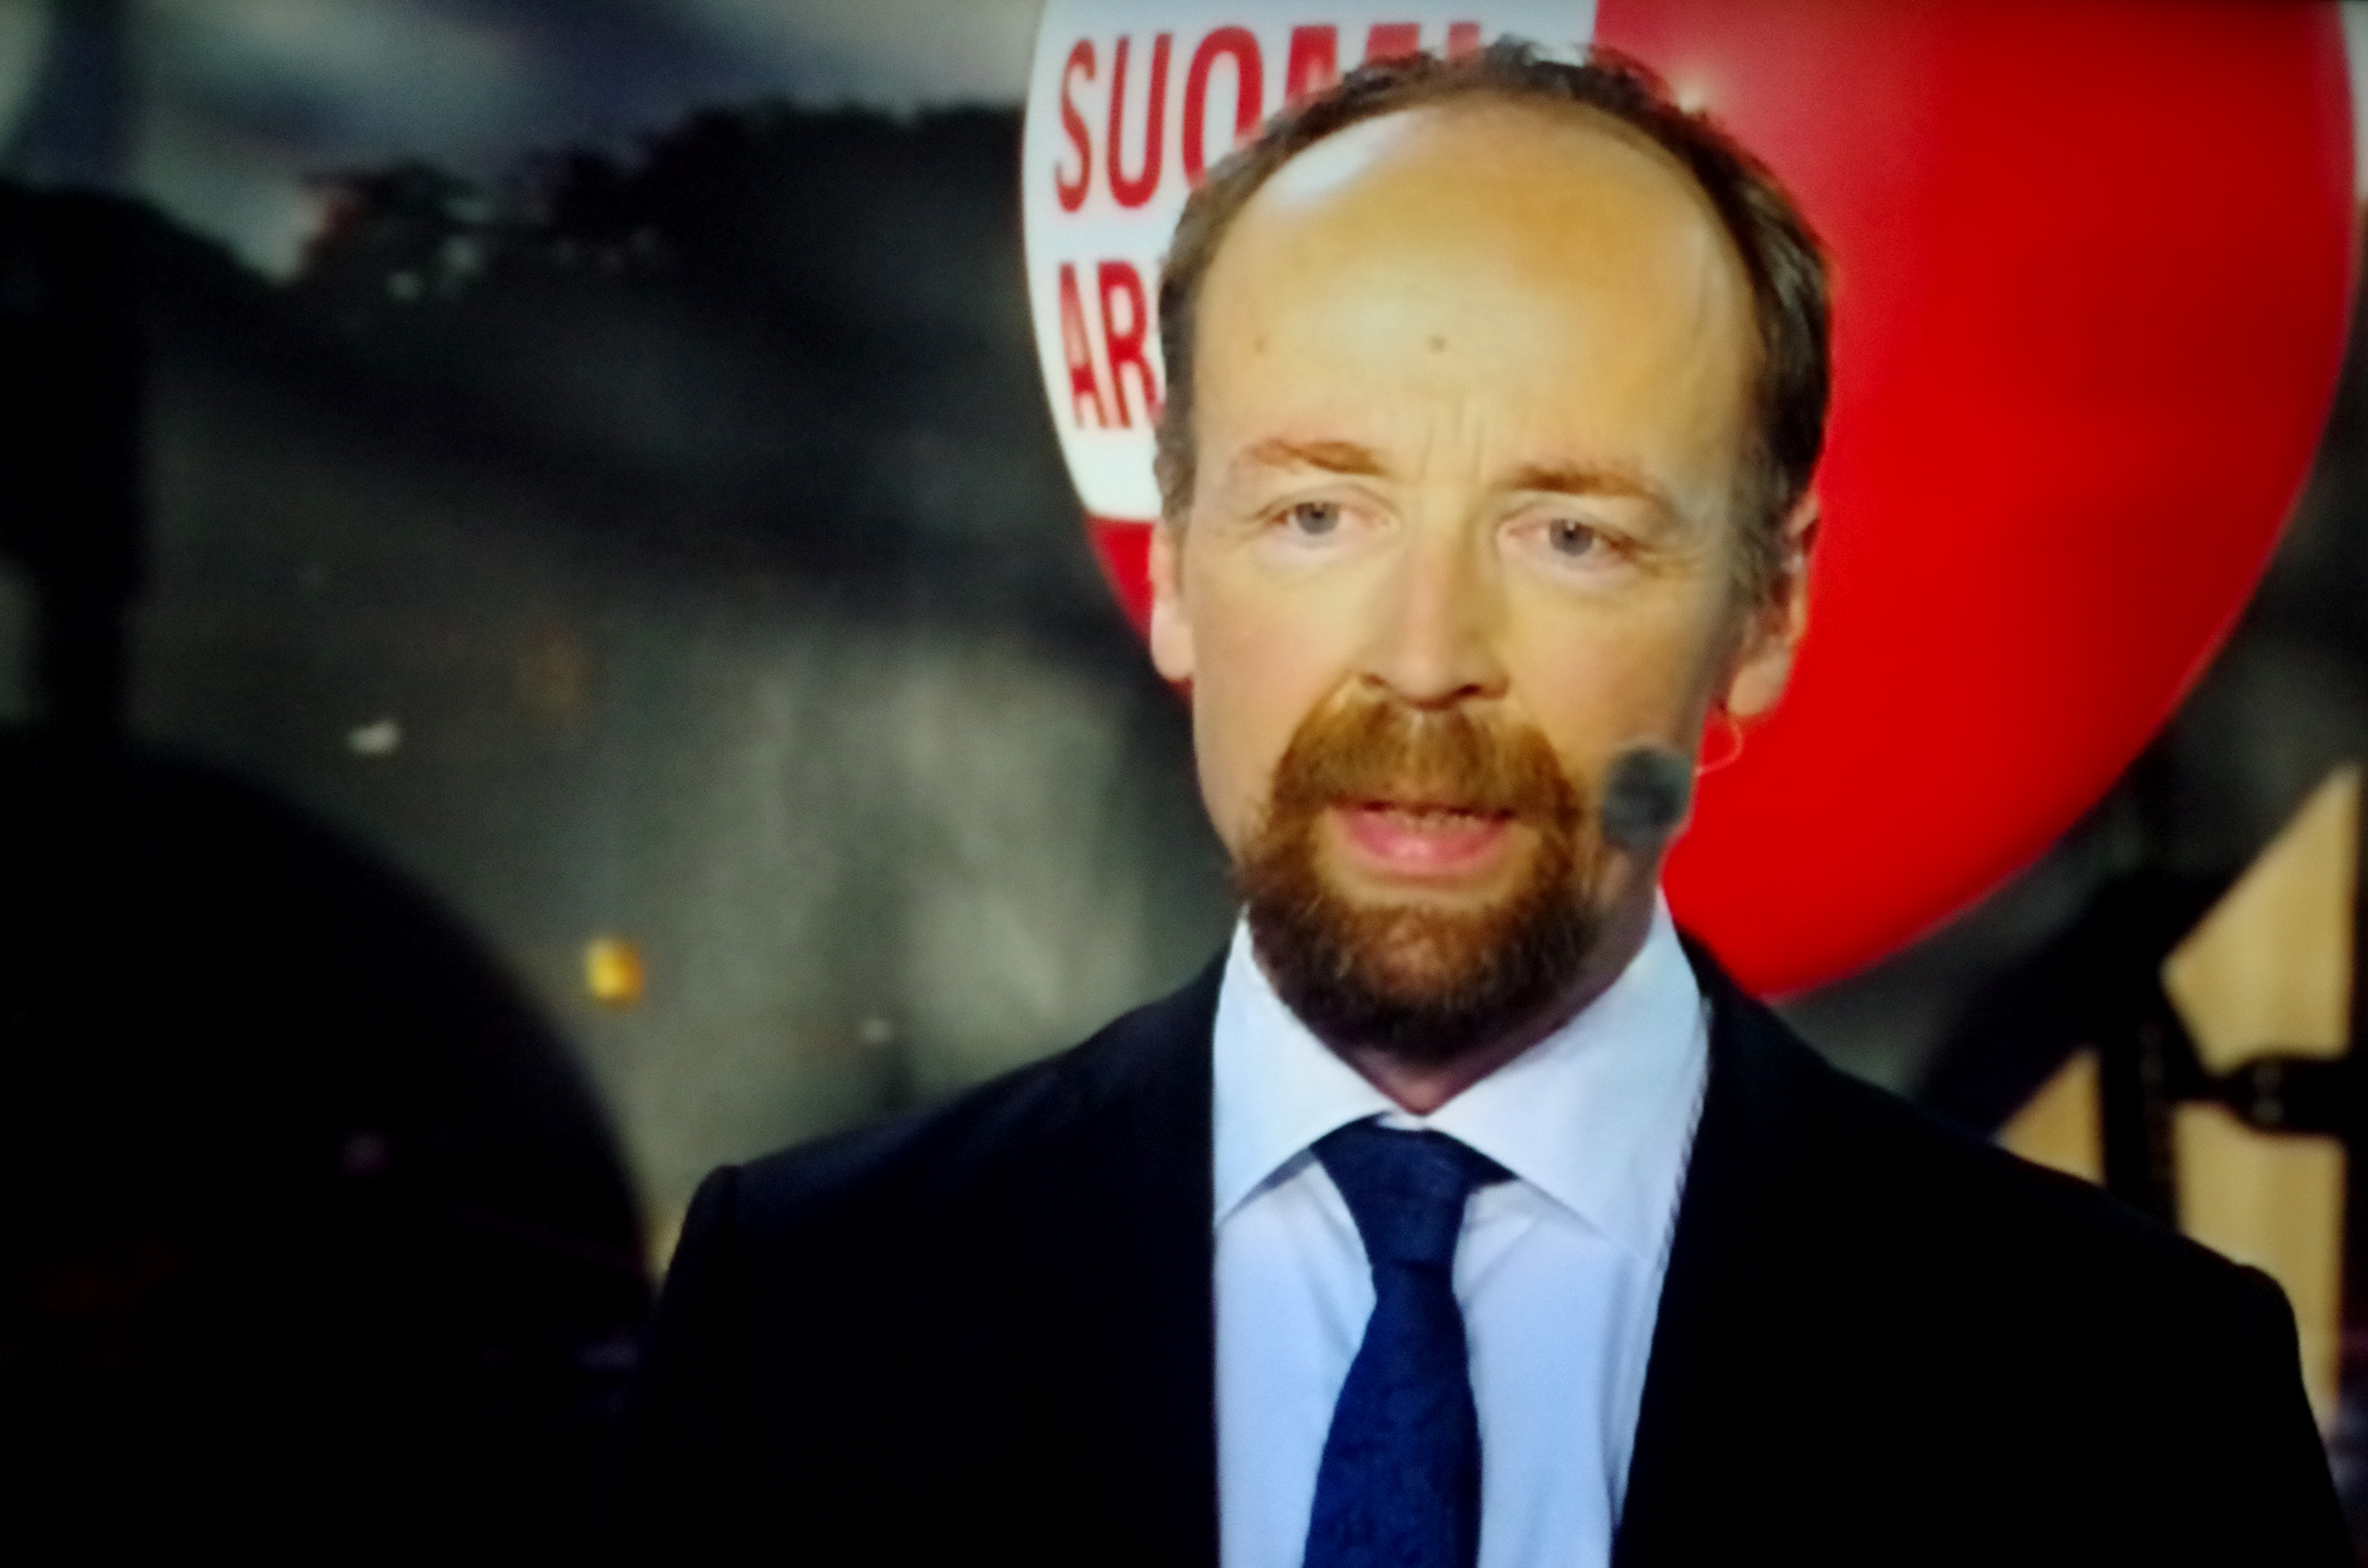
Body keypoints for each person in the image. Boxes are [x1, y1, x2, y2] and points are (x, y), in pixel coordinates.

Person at [604, 43, 2345, 1566]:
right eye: (1318, 514)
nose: (1427, 660)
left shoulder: (2130, 1394)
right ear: (1176, 563)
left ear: (1765, 610)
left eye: (1569, 533)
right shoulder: (803, 1315)